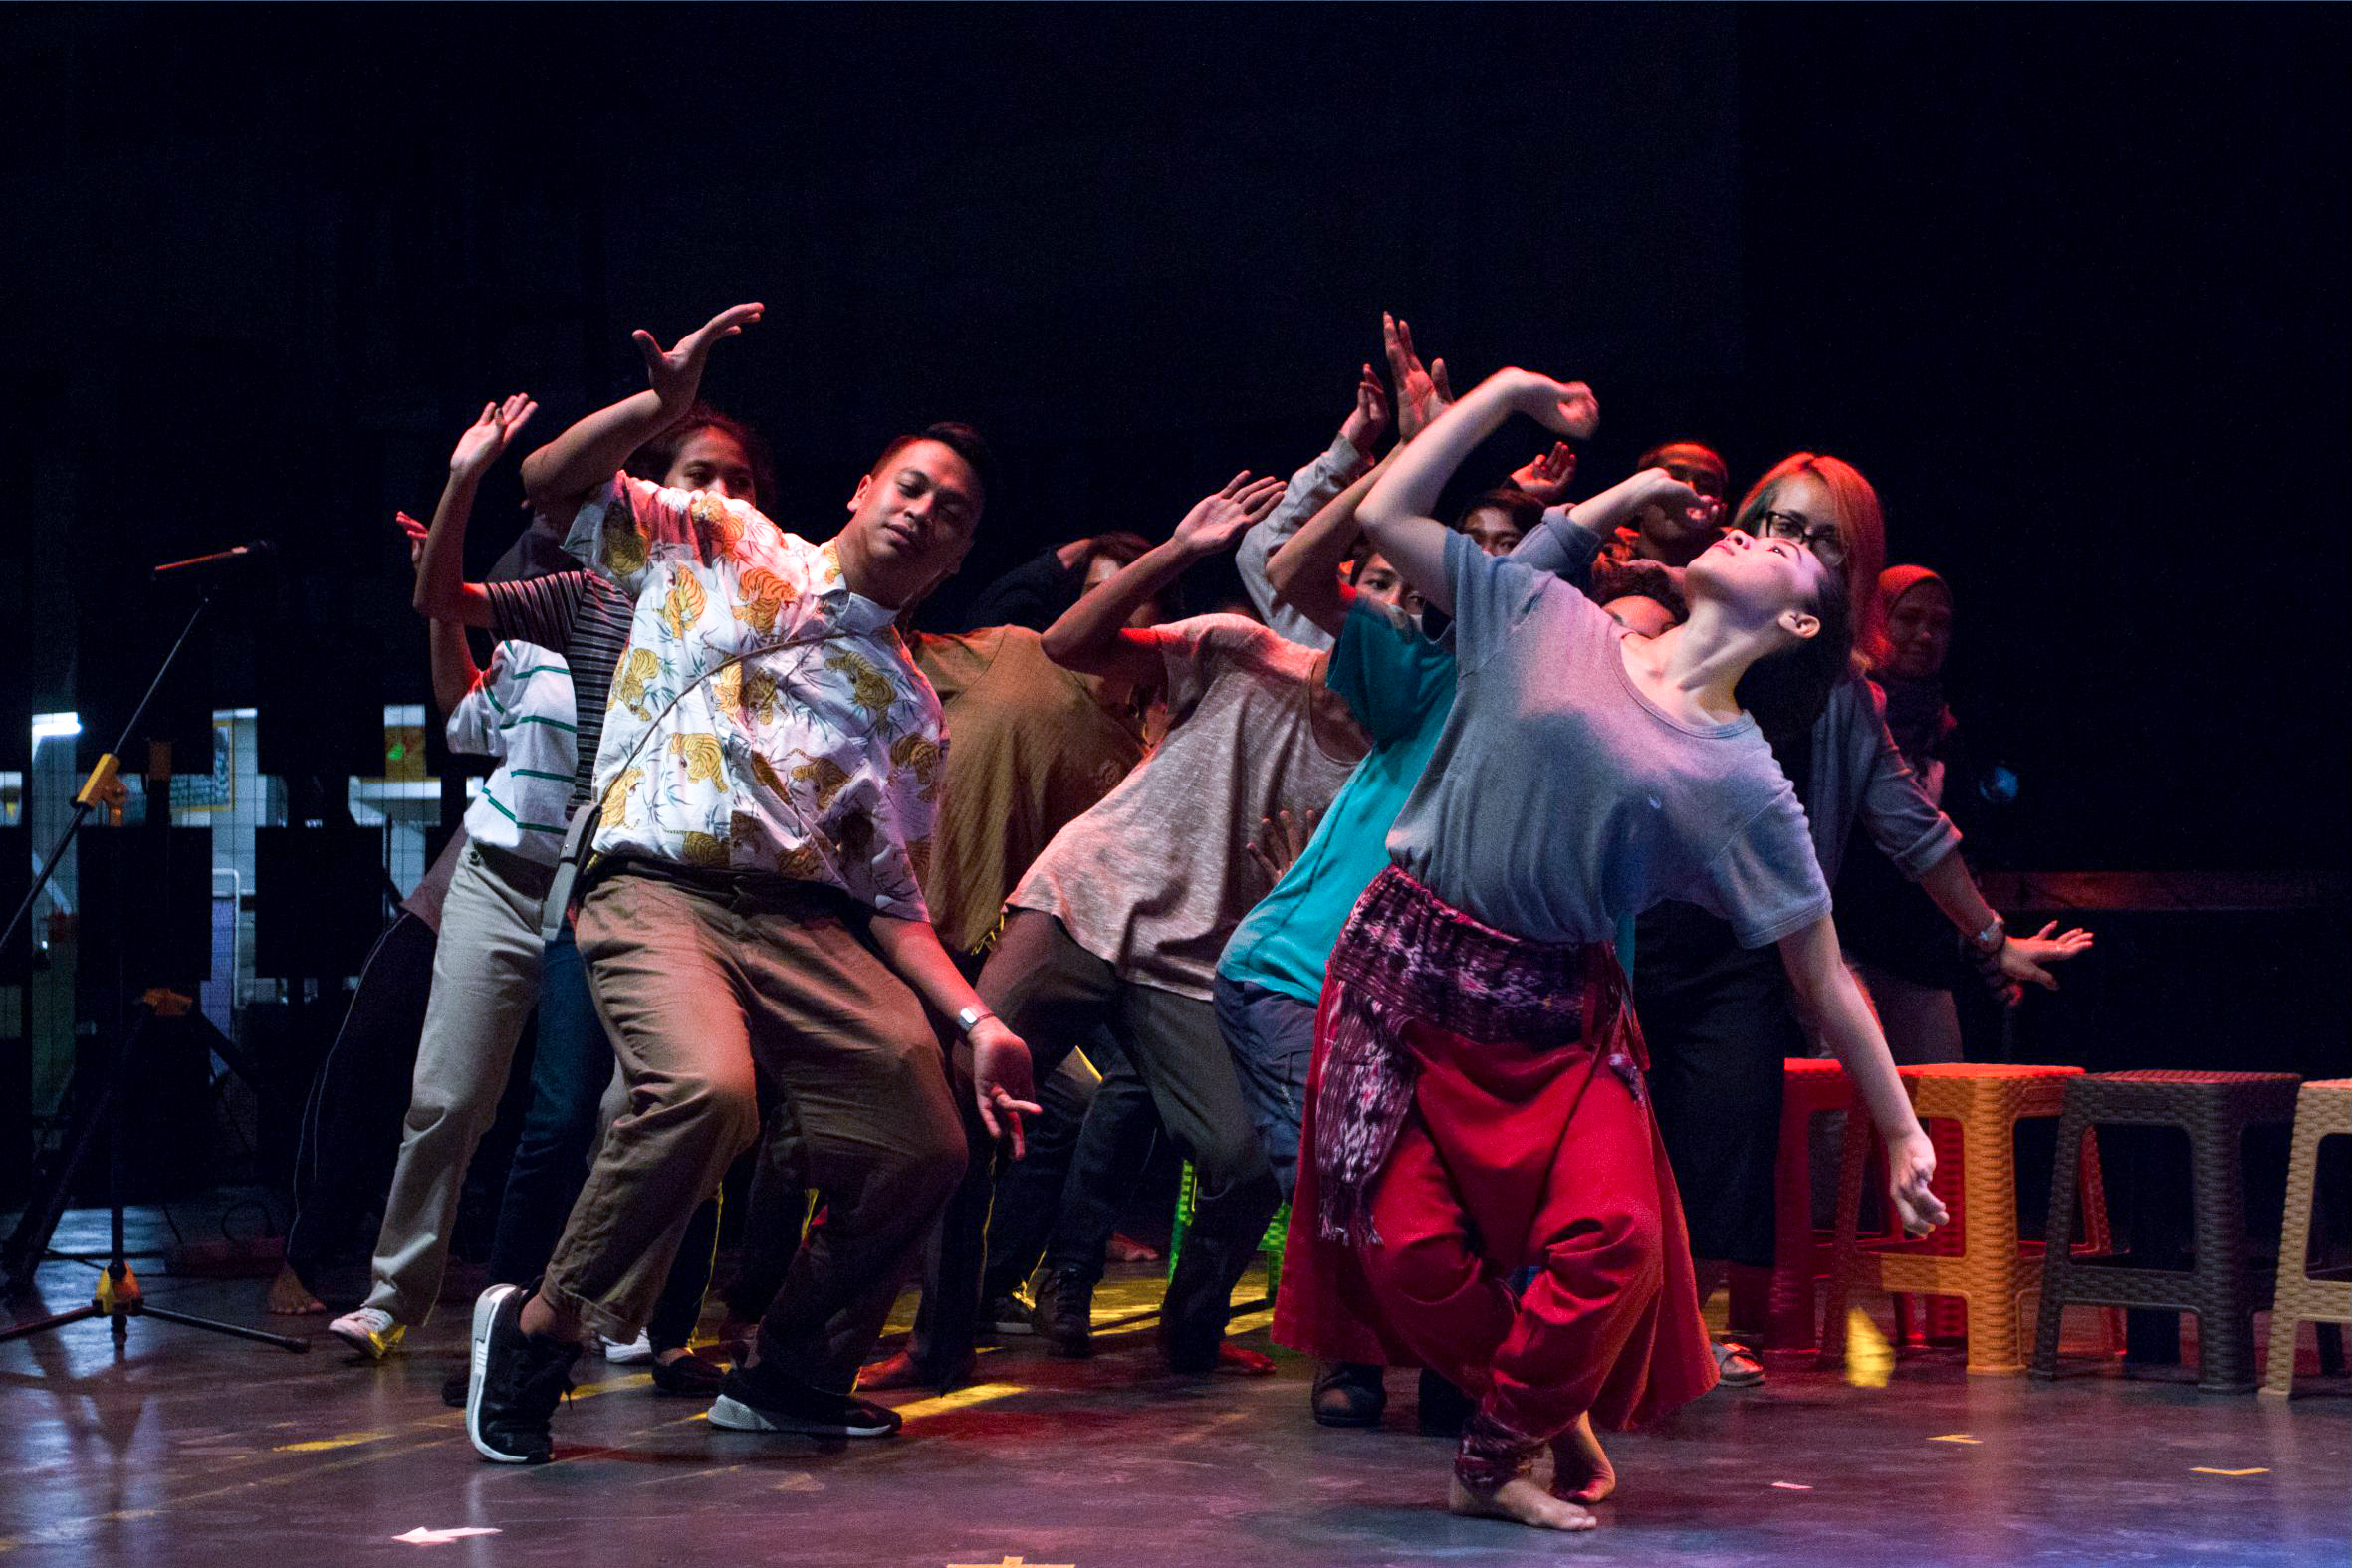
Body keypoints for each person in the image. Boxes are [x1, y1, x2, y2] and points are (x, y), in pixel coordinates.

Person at [1276, 366, 1949, 1533]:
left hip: (1553, 1011)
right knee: (1404, 1248)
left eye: (1792, 547)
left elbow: (1820, 969)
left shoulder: (1742, 781)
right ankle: (1534, 1410)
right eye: (1757, 520)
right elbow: (1387, 515)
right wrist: (1508, 395)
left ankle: (1493, 1454)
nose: (1757, 532)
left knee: (1616, 1237)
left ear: (1800, 623)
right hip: (1403, 975)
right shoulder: (1545, 614)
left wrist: (1898, 1129)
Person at [463, 303, 1037, 1463]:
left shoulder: (911, 709)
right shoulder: (722, 538)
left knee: (923, 1138)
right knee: (706, 1091)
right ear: (863, 491)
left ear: (959, 555)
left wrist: (977, 1023)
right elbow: (545, 484)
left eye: (952, 513)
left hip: (804, 924)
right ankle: (538, 1326)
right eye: (912, 486)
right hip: (656, 884)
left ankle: (791, 1373)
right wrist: (654, 410)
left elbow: (892, 902)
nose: (923, 512)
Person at [1229, 442, 1713, 1431]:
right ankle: (1377, 1356)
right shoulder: (1437, 673)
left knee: (1460, 1193)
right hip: (1305, 975)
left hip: (1449, 1005)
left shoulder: (1612, 757)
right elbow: (1294, 570)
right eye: (1473, 543)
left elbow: (1601, 933)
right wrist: (1413, 451)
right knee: (1353, 1181)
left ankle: (1478, 1382)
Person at [1631, 457, 2089, 1386]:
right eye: (1780, 523)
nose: (1794, 543)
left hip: (1750, 941)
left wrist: (1992, 939)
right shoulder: (1659, 629)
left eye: (1823, 537)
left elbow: (1911, 827)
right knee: (1612, 1129)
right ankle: (1597, 1325)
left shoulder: (1840, 697)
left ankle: (1691, 1324)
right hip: (1625, 924)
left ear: (1850, 567)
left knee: (1728, 1125)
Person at [977, 472, 1369, 1373]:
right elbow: (1067, 643)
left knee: (1246, 1159)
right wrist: (1178, 550)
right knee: (967, 1106)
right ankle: (938, 1334)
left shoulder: (1396, 760)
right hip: (1086, 898)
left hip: (1197, 964)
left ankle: (1190, 1334)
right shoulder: (1244, 649)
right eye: (1369, 586)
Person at [327, 396, 582, 1363]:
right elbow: (464, 720)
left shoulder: (647, 619)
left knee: (603, 1112)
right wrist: (448, 547)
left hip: (598, 890)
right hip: (497, 877)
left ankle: (600, 1300)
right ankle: (395, 1295)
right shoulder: (526, 625)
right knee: (446, 1095)